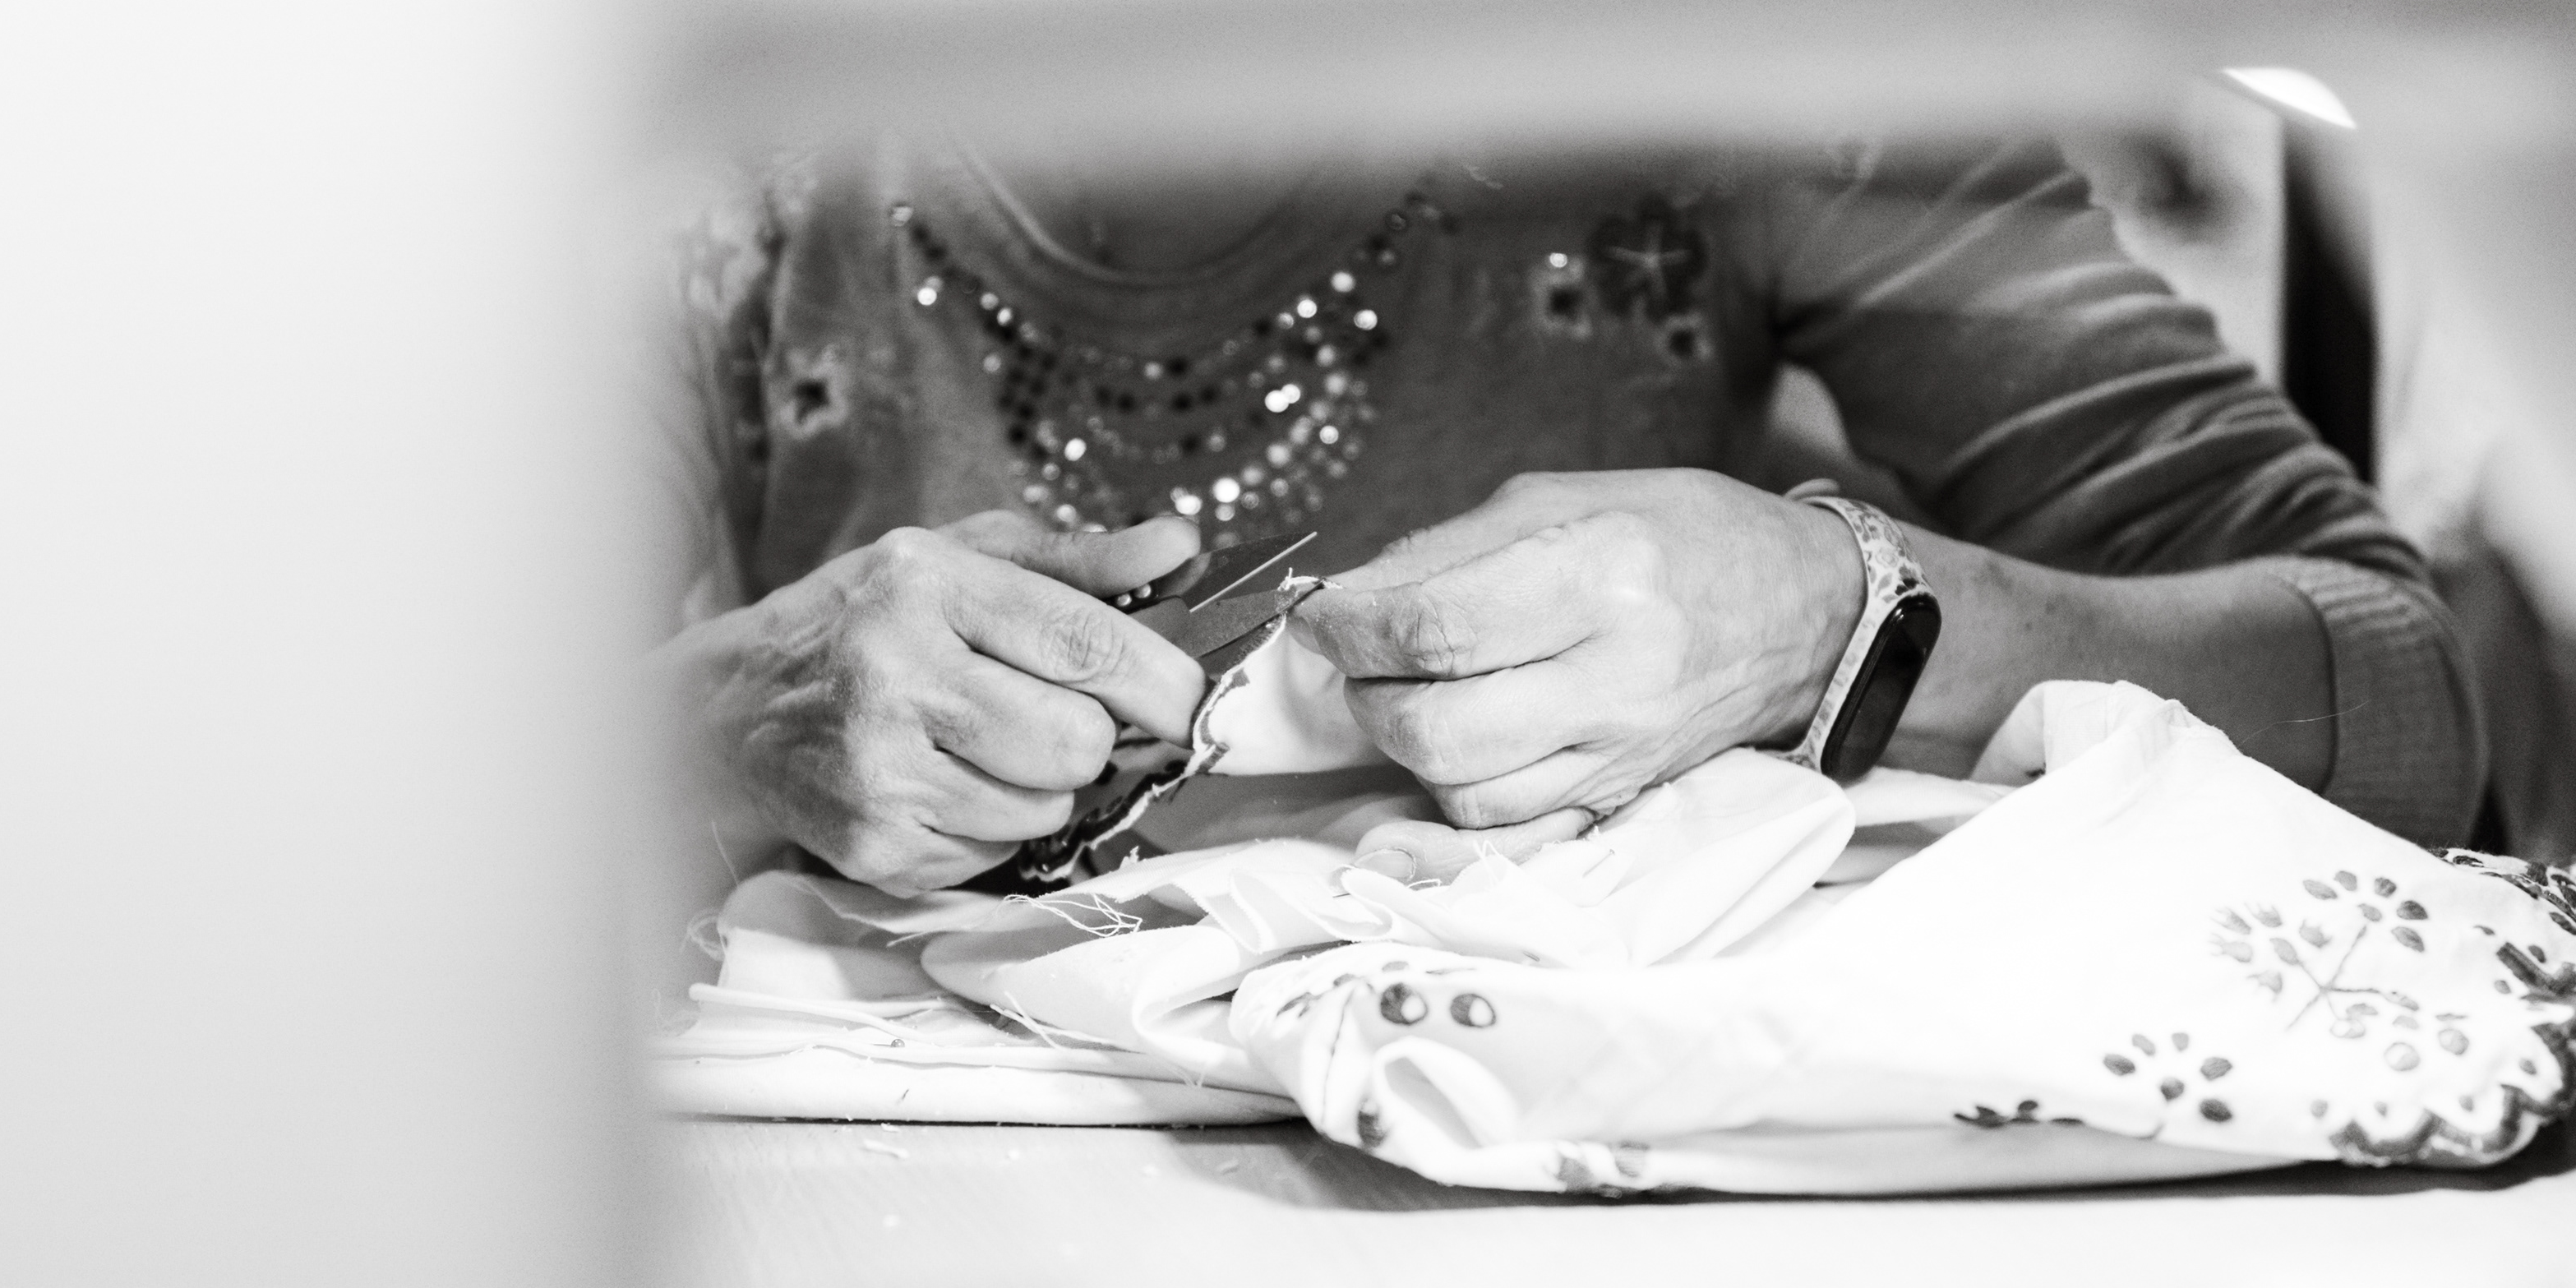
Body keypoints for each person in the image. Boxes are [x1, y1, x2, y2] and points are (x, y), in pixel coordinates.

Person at [645, 139, 2484, 898]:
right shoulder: (696, 120)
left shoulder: (1734, 45)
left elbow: (2410, 701)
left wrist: (1836, 619)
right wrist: (720, 721)